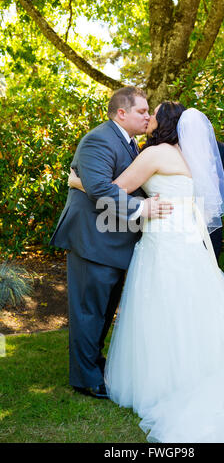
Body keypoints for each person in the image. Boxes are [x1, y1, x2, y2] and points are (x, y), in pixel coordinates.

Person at [68, 104, 224, 443]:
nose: (149, 118)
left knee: (164, 311)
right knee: (194, 310)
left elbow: (112, 191)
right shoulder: (189, 155)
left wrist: (77, 180)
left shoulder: (156, 154)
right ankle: (203, 371)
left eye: (155, 113)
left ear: (167, 123)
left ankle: (170, 381)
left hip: (164, 242)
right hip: (188, 243)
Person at [49, 87, 174, 399]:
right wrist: (143, 208)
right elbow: (102, 189)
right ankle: (85, 379)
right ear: (122, 113)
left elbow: (127, 182)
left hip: (115, 242)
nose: (148, 117)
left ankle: (93, 363)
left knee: (103, 312)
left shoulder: (131, 143)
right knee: (89, 312)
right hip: (93, 239)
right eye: (142, 111)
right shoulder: (98, 139)